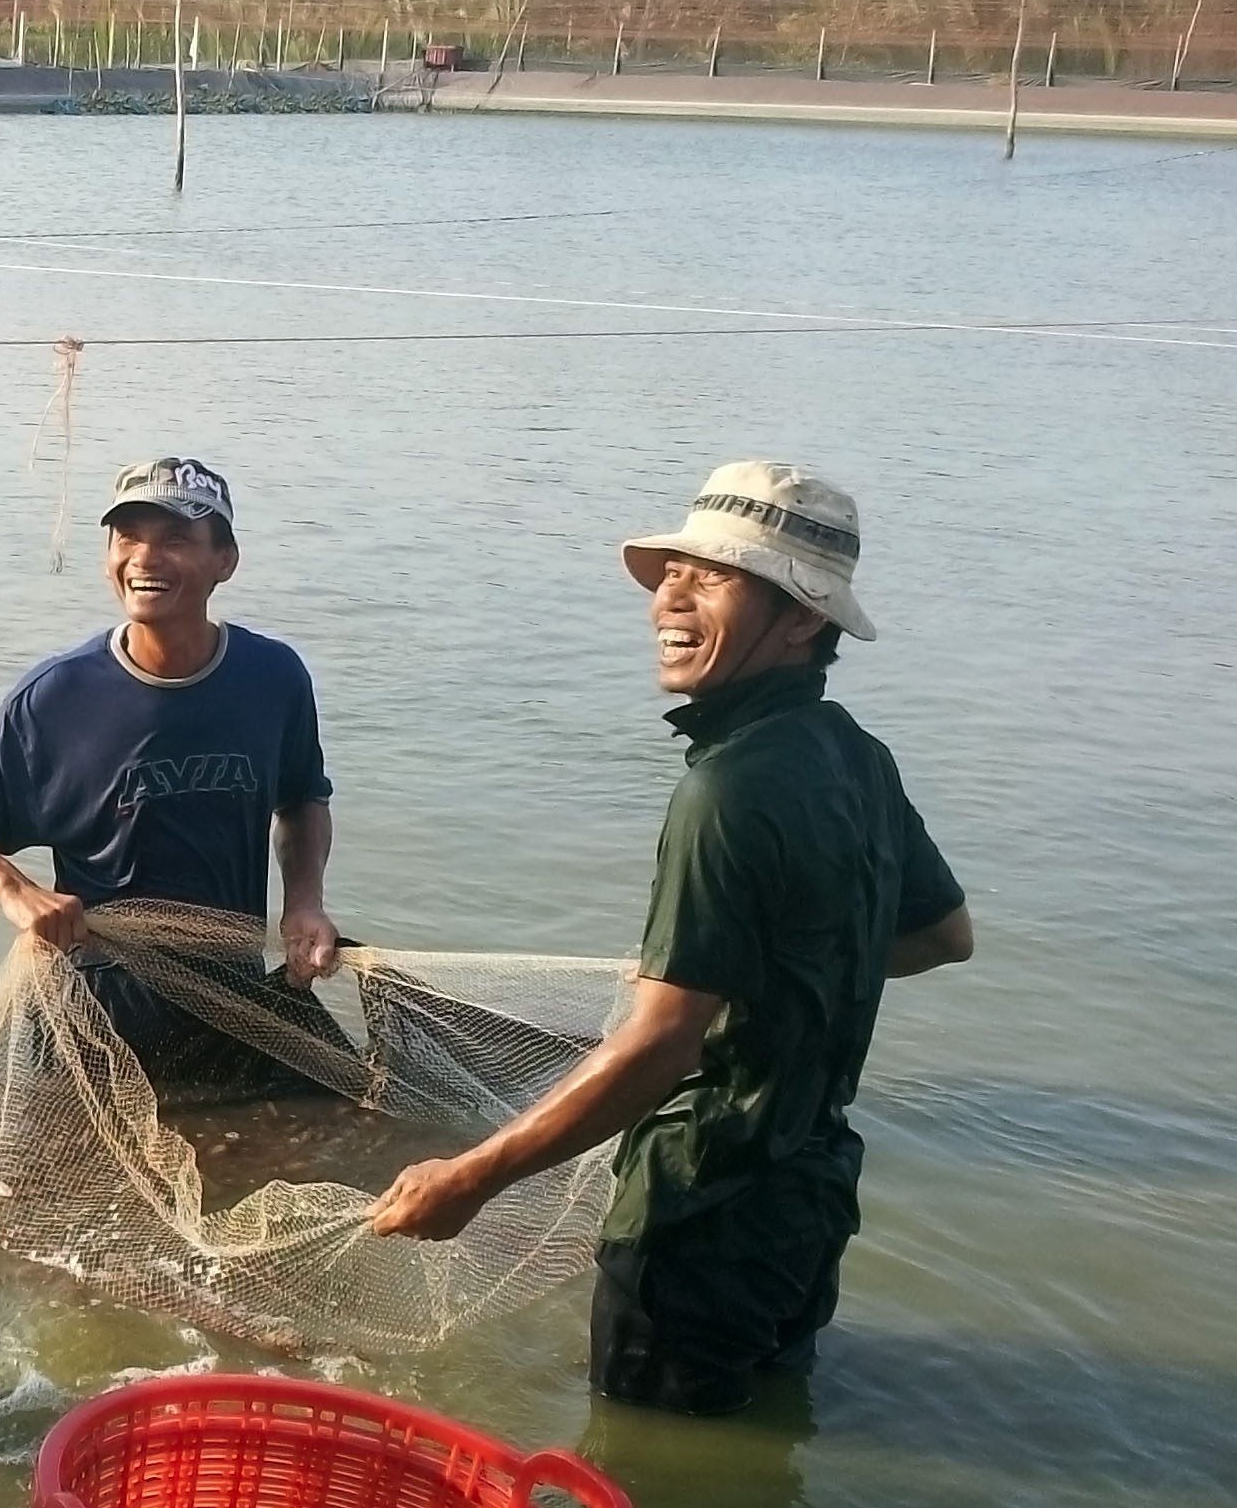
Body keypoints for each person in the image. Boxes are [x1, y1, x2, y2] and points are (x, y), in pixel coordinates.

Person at [368, 462, 975, 1415]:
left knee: (641, 1497)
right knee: (759, 1455)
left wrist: (468, 1177)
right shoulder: (853, 753)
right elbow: (943, 936)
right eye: (670, 571)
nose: (669, 595)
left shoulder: (724, 790)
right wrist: (772, 979)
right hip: (807, 1206)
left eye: (713, 576)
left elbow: (660, 1045)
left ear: (802, 618)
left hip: (697, 1215)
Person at [0, 456, 351, 1098]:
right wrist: (15, 891)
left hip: (232, 998)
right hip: (94, 1013)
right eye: (128, 537)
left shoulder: (274, 677)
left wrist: (305, 899)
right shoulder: (59, 695)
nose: (145, 558)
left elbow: (302, 798)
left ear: (225, 560)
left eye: (176, 539)